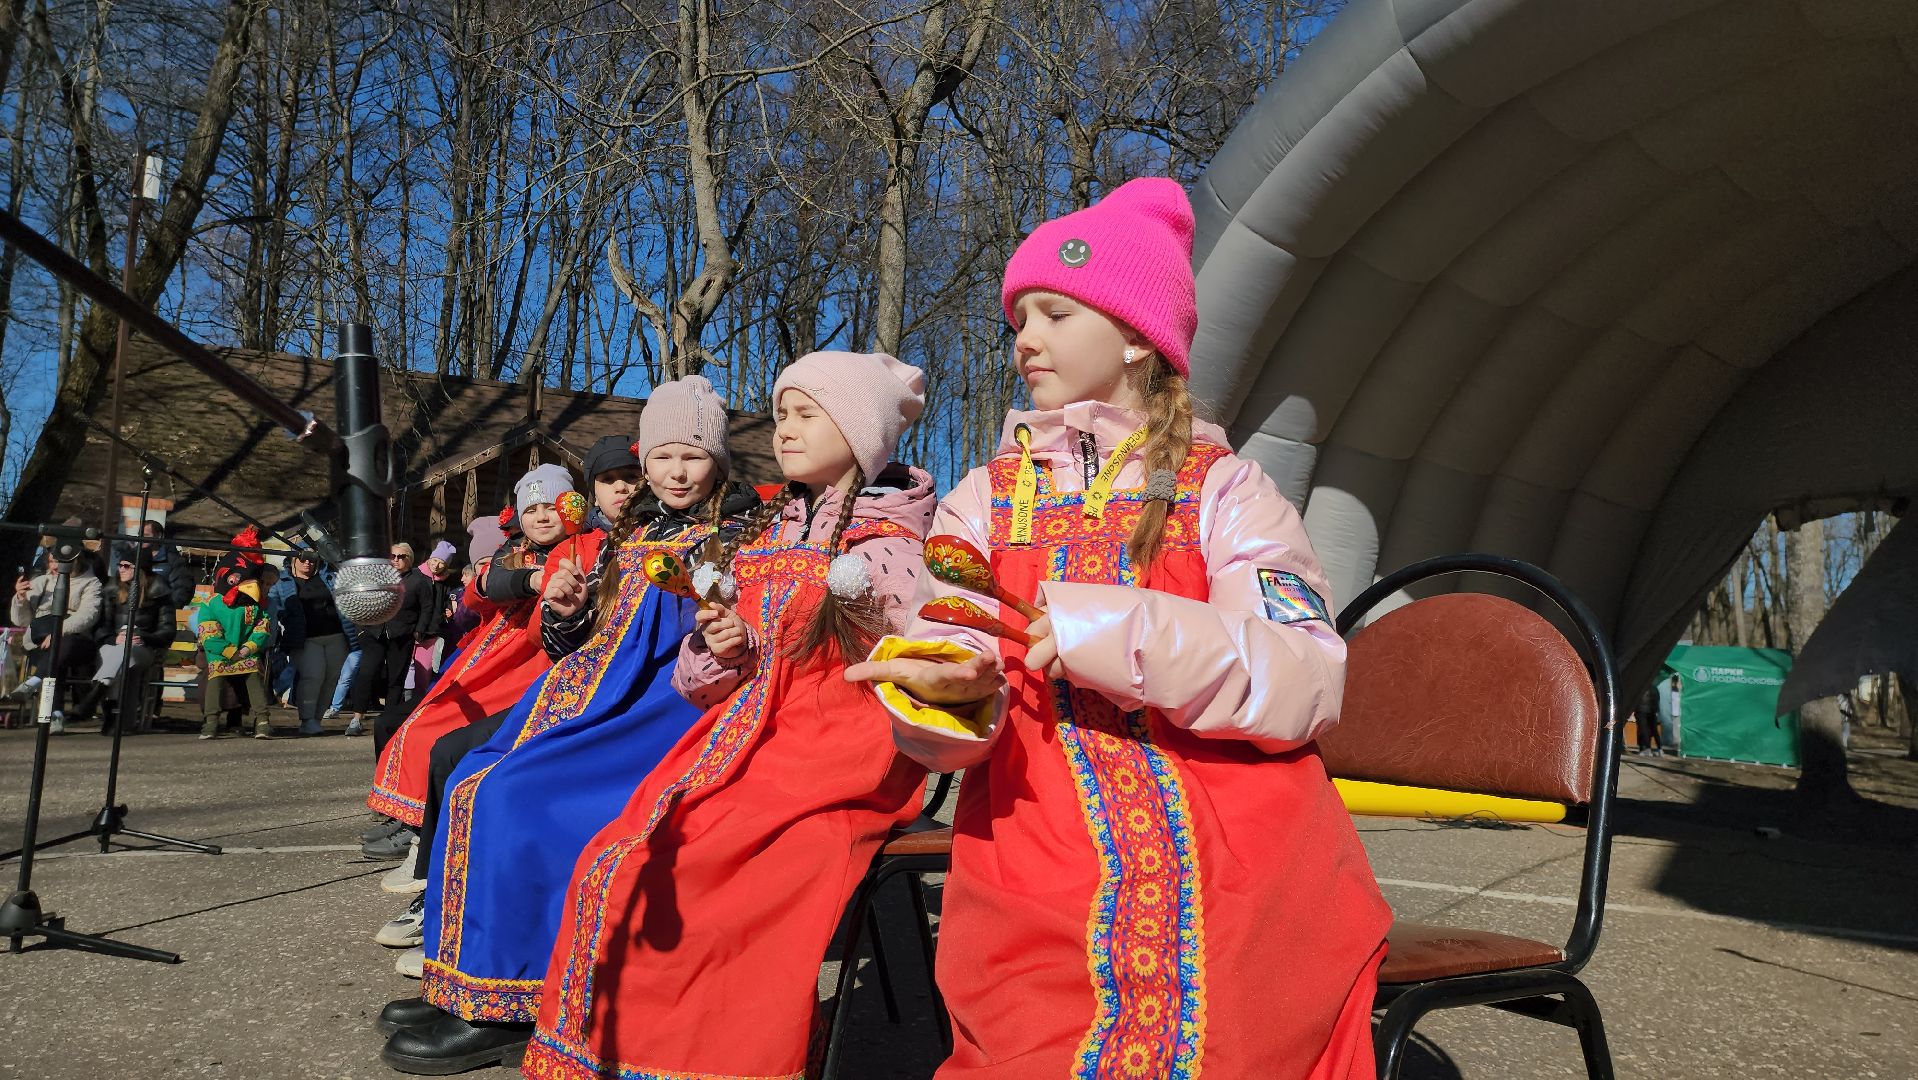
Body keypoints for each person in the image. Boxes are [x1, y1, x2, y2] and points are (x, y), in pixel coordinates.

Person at [847, 179, 1390, 1077]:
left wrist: (1118, 630)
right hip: (1032, 829)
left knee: (1225, 1017)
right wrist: (942, 687)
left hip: (1234, 834)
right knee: (1030, 1017)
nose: (1025, 338)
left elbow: (1307, 672)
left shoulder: (1226, 491)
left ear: (1138, 336)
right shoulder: (984, 498)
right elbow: (961, 632)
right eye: (1019, 318)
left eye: (1056, 313)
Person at [520, 351, 933, 1080]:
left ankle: (721, 1056)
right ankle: (629, 1050)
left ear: (860, 429)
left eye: (807, 414)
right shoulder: (770, 533)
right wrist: (723, 647)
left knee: (716, 884)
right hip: (746, 741)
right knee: (618, 858)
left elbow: (933, 666)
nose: (785, 431)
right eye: (781, 415)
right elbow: (700, 680)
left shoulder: (894, 548)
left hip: (840, 755)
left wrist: (875, 629)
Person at [377, 377, 760, 1072]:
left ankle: (511, 997)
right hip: (589, 696)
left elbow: (716, 651)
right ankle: (463, 976)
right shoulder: (629, 534)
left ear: (720, 464)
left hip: (655, 716)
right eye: (665, 456)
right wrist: (566, 610)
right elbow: (576, 645)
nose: (677, 472)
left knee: (512, 796)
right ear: (646, 463)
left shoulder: (731, 541)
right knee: (467, 776)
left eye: (694, 457)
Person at [363, 466, 586, 850]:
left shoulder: (581, 548)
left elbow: (511, 587)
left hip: (532, 661)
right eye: (532, 510)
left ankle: (420, 827)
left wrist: (512, 583)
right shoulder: (516, 551)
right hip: (493, 656)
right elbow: (479, 592)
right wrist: (519, 581)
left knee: (442, 732)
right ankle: (410, 814)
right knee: (422, 720)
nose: (543, 516)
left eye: (551, 506)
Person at [71, 545, 176, 734]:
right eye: (120, 565)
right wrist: (114, 637)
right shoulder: (111, 590)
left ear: (139, 569)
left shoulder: (160, 592)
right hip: (113, 645)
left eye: (126, 566)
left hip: (144, 648)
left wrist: (142, 637)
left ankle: (98, 699)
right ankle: (117, 721)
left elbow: (168, 631)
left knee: (123, 654)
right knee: (119, 656)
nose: (120, 569)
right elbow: (101, 626)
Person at [345, 541, 437, 757]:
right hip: (373, 632)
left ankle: (390, 719)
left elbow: (427, 607)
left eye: (401, 556)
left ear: (410, 560)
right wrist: (360, 629)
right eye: (393, 556)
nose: (396, 560)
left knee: (397, 678)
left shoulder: (419, 581)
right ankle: (357, 717)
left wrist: (419, 630)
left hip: (401, 634)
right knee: (368, 672)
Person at [9, 543, 105, 733]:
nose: (54, 567)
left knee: (58, 651)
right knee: (54, 659)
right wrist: (19, 599)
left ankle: (35, 683)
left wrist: (59, 631)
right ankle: (56, 716)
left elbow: (88, 615)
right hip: (40, 640)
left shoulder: (91, 583)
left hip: (75, 641)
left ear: (74, 561)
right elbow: (22, 620)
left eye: (59, 562)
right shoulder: (41, 582)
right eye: (52, 562)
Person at [196, 527, 274, 740]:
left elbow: (261, 628)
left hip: (245, 652)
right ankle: (211, 721)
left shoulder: (255, 606)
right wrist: (229, 650)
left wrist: (248, 648)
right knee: (216, 678)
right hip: (221, 653)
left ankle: (263, 719)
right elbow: (209, 633)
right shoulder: (212, 604)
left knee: (253, 678)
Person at [284, 548, 348, 737]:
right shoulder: (284, 581)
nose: (307, 563)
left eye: (312, 559)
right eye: (303, 559)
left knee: (331, 679)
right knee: (313, 676)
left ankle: (316, 719)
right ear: (293, 560)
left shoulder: (329, 578)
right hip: (306, 637)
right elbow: (277, 606)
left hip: (336, 635)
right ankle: (307, 719)